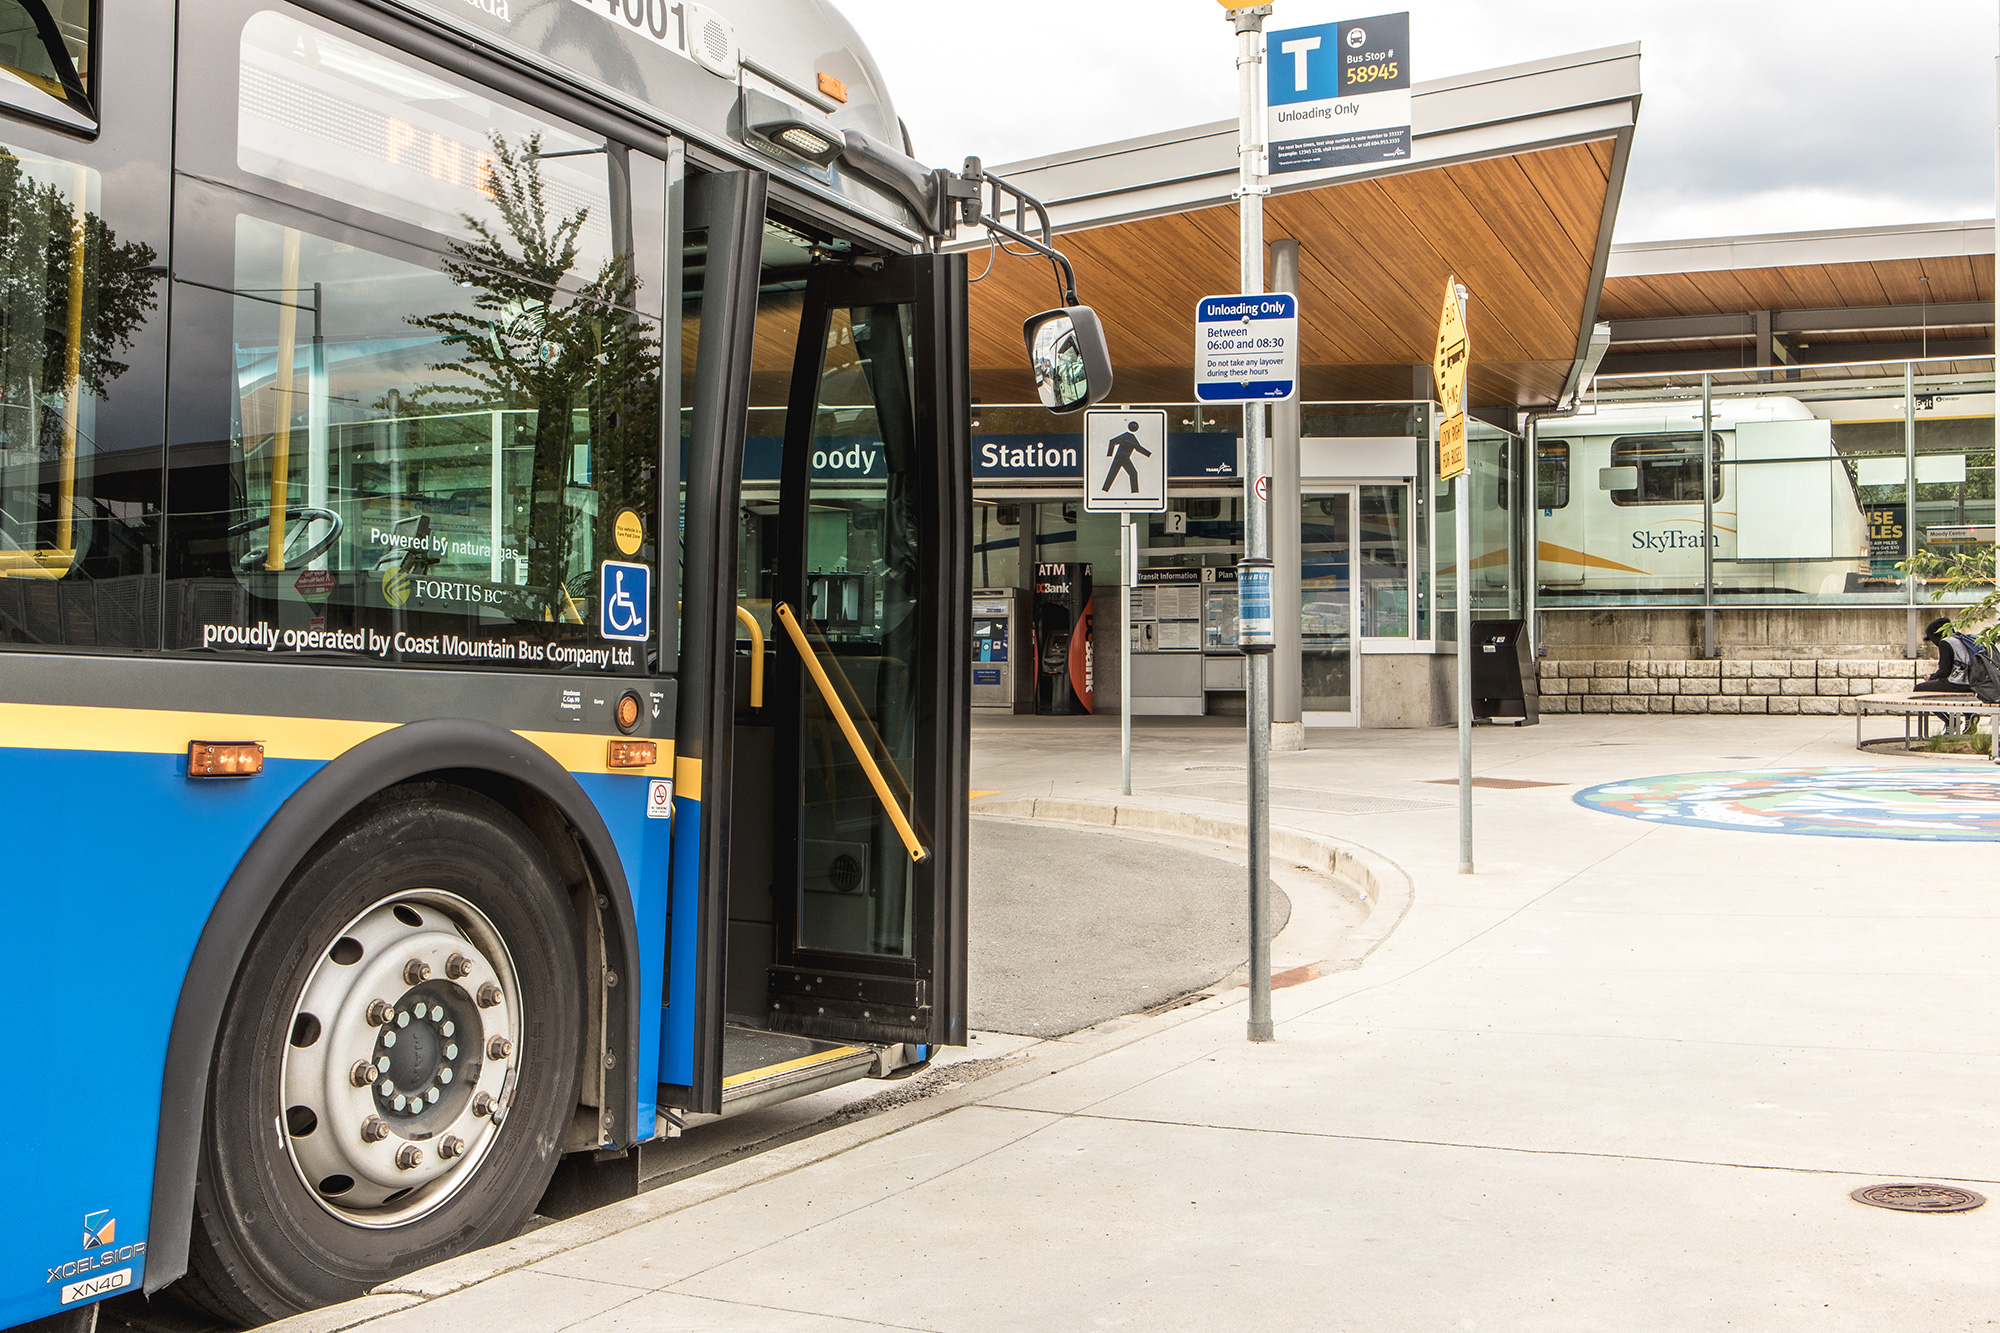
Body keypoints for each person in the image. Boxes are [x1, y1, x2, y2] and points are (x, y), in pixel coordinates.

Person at [1101, 421, 1152, 495]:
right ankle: (1134, 492)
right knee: (1132, 473)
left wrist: (1149, 454)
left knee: (1113, 473)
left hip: (1121, 457)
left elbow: (1138, 448)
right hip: (1122, 457)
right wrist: (1109, 454)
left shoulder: (1131, 437)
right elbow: (1112, 441)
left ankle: (1105, 490)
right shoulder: (1128, 436)